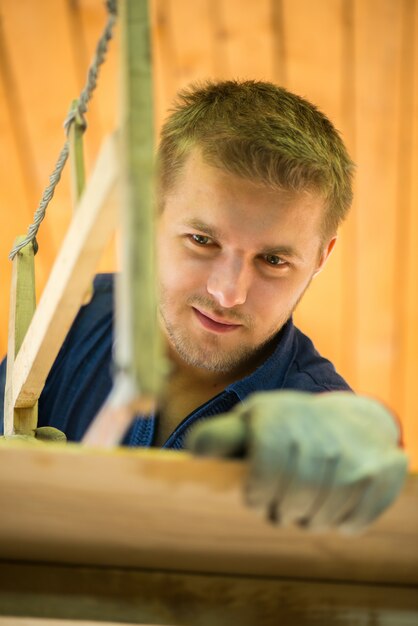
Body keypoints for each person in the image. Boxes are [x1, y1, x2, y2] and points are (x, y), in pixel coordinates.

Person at [0, 80, 408, 531]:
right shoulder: (74, 315)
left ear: (320, 258)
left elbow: (357, 446)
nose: (227, 293)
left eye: (273, 260)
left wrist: (375, 425)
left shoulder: (312, 423)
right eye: (202, 240)